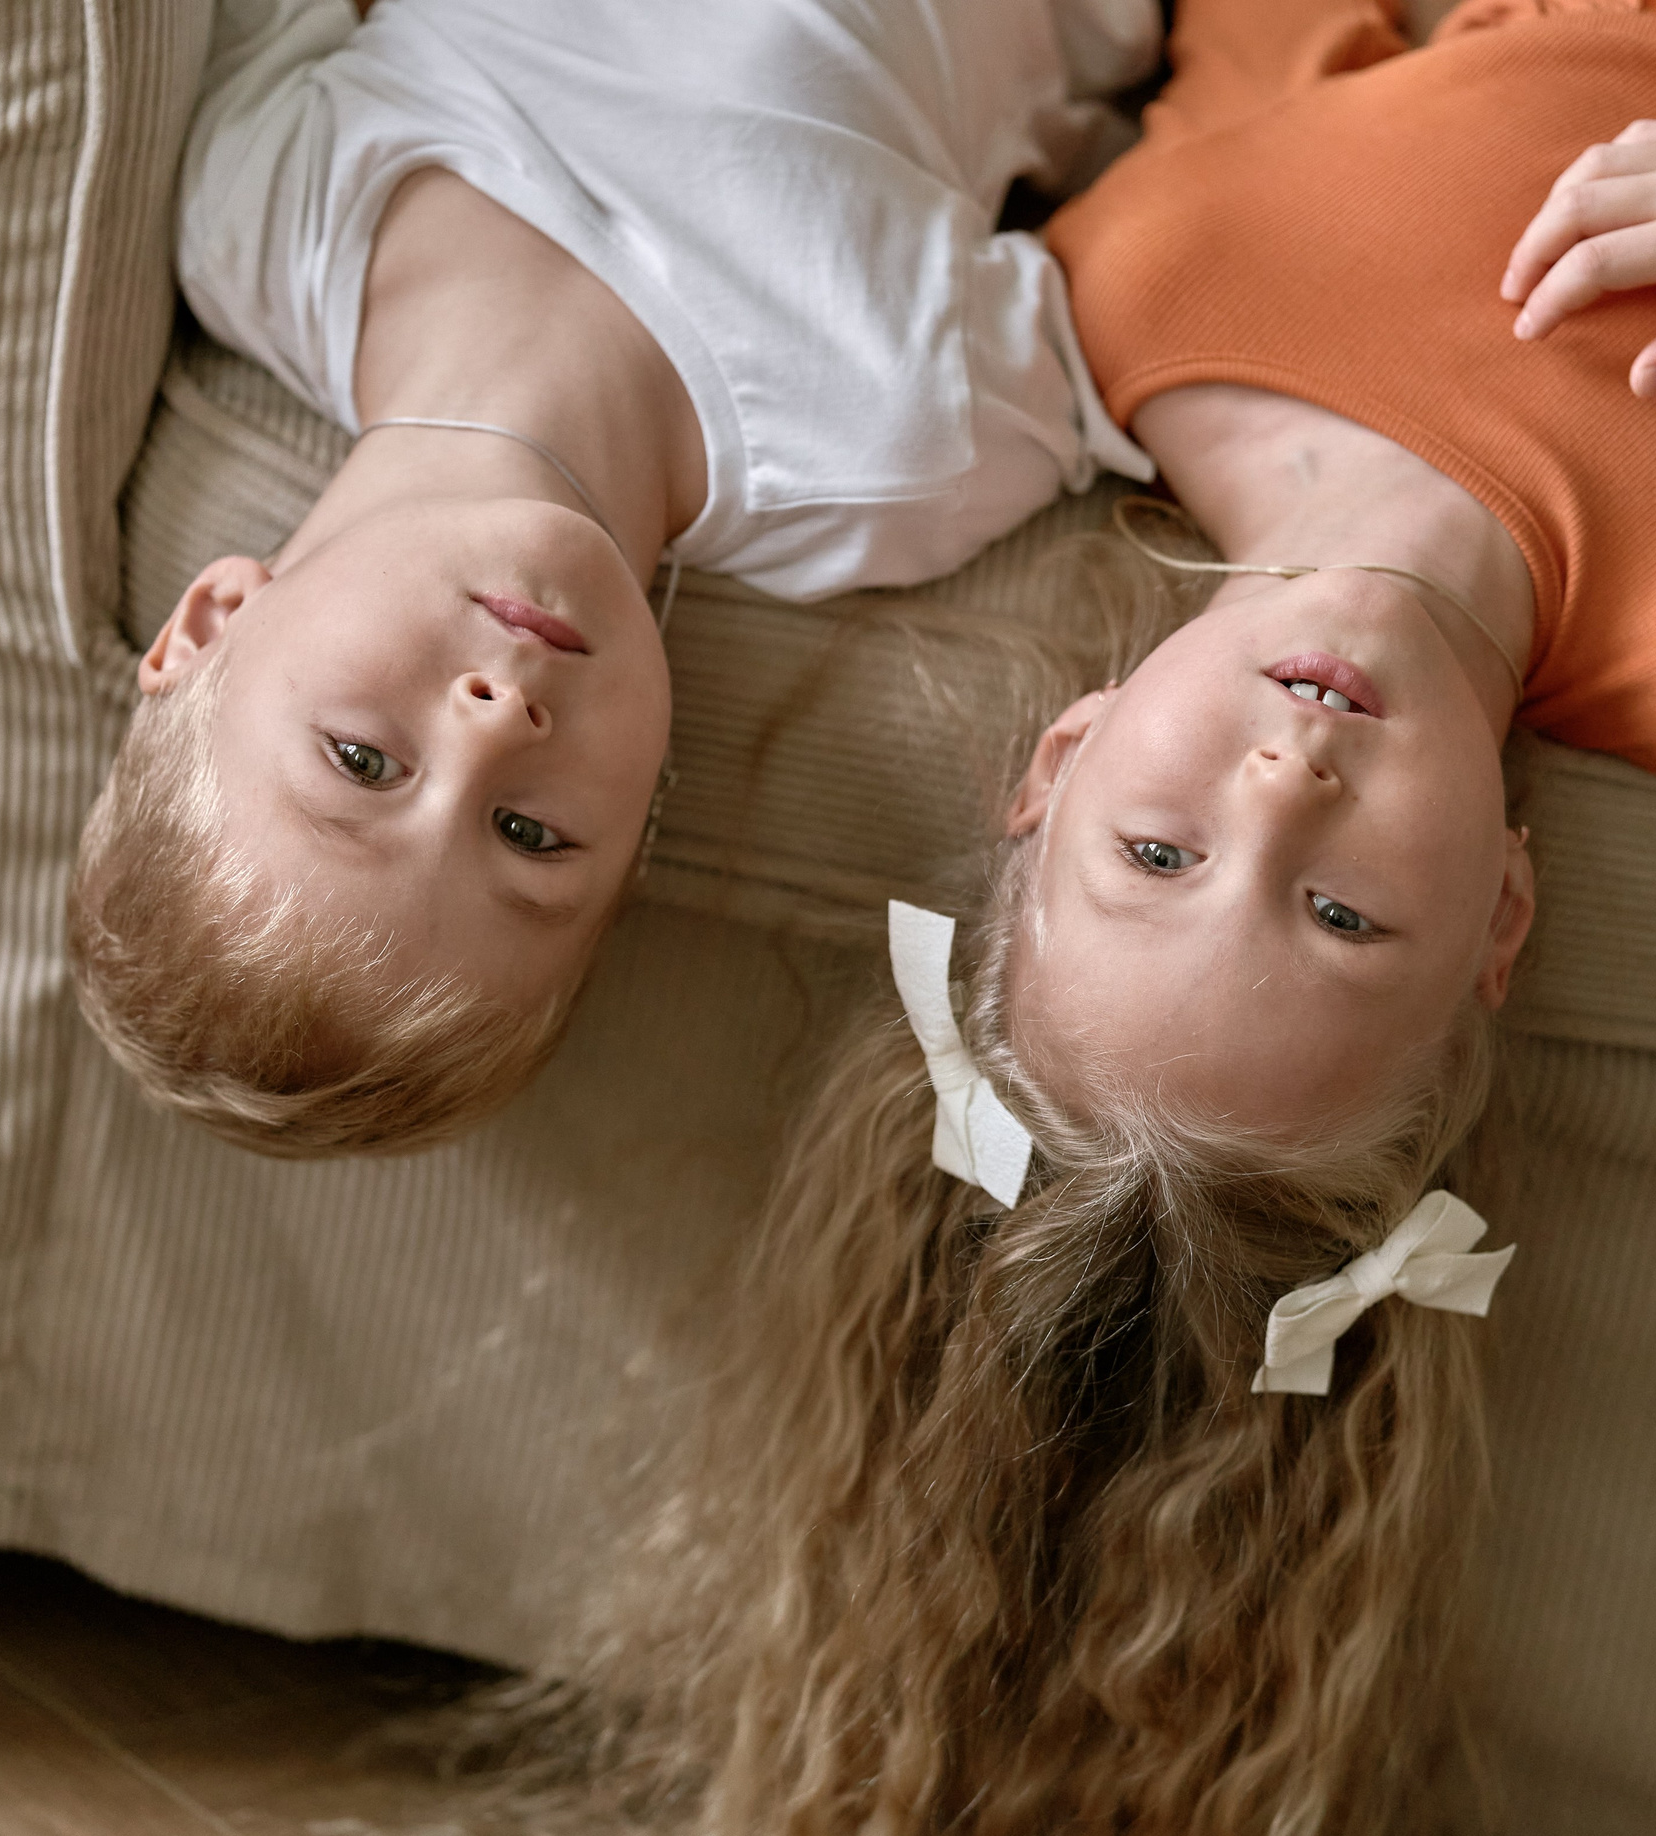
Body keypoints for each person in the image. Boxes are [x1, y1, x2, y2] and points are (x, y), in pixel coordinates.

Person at [321, 0, 1656, 1836]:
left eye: (1159, 857)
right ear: (1501, 927)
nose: (1283, 787)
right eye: (1341, 913)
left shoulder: (1120, 304)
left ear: (1063, 761)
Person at [67, 0, 1161, 1155]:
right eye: (527, 834)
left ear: (213, 622)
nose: (496, 726)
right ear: (638, 833)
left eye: (362, 762)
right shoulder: (888, 460)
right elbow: (1161, 273)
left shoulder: (261, 215)